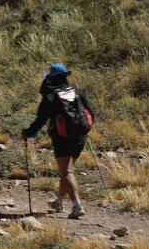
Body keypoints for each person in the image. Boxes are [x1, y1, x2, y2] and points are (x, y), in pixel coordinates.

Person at [22, 63, 96, 219]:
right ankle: (59, 201)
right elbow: (92, 114)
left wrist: (28, 133)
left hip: (61, 137)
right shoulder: (77, 93)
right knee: (67, 170)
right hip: (80, 136)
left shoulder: (50, 97)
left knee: (67, 171)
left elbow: (41, 119)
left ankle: (77, 206)